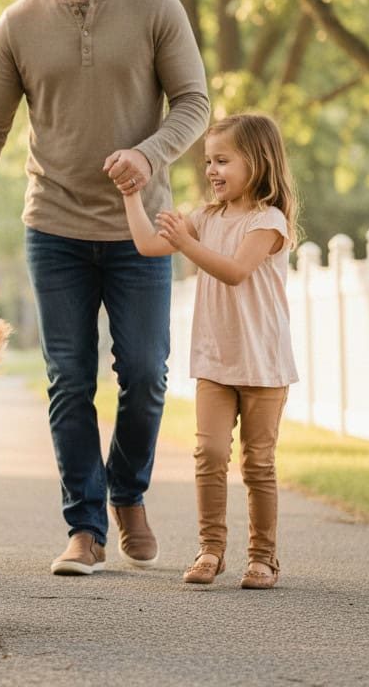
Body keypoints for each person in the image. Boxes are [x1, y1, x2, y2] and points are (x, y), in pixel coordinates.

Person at [0, 0, 209, 576]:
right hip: (54, 222)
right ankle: (85, 528)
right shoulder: (19, 24)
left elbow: (194, 103)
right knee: (68, 378)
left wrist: (149, 156)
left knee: (147, 374)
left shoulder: (153, 6)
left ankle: (127, 491)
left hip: (141, 226)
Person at [120, 112, 298, 589]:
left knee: (258, 463)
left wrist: (185, 242)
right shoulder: (207, 216)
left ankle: (263, 558)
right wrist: (131, 196)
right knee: (209, 453)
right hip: (216, 362)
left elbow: (235, 270)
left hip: (263, 362)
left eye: (223, 160)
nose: (212, 171)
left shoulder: (268, 221)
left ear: (257, 163)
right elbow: (145, 244)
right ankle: (211, 550)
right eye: (208, 161)